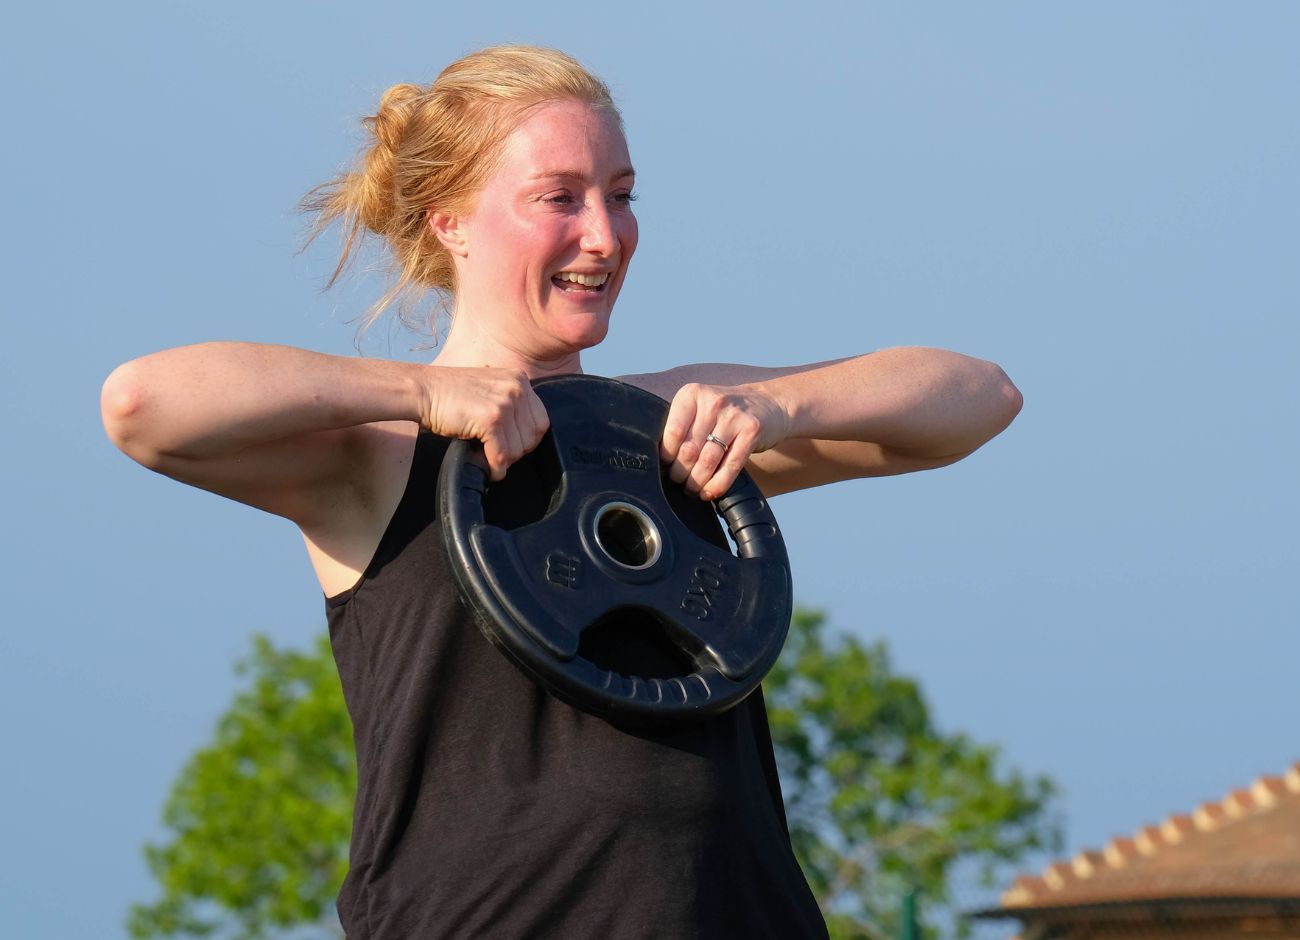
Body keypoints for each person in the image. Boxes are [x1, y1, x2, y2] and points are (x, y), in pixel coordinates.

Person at [101, 45, 1022, 940]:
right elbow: (144, 404)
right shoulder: (376, 457)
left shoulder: (667, 424)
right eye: (560, 198)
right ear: (448, 218)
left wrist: (780, 405)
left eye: (620, 195)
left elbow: (981, 398)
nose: (604, 233)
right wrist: (424, 393)